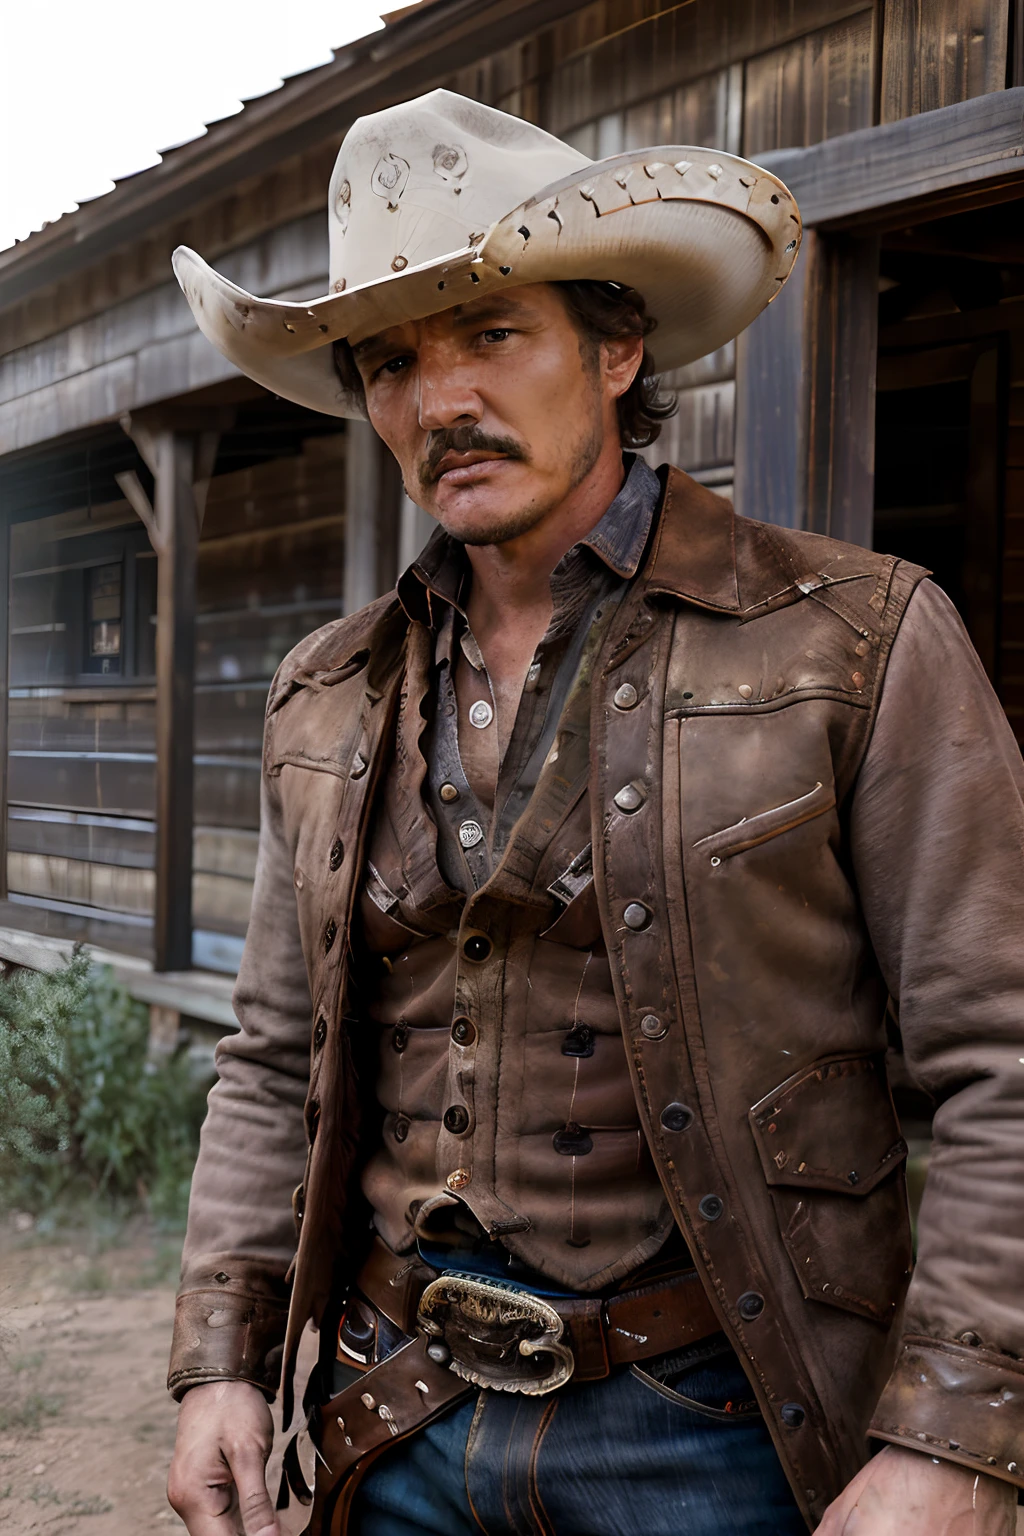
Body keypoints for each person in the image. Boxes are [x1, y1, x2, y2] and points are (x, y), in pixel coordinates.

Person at [165, 90, 1024, 1536]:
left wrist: (955, 1439)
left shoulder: (855, 642)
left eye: (492, 336)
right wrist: (223, 1366)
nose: (440, 402)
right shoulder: (328, 691)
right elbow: (271, 1063)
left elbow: (1006, 1059)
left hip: (721, 1432)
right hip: (393, 1422)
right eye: (392, 361)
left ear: (616, 347)